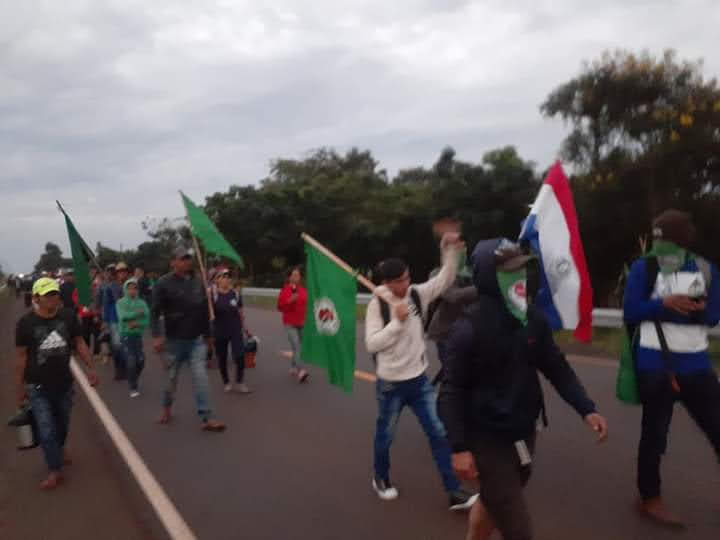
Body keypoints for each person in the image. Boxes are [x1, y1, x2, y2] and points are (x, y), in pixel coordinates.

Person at [438, 238, 609, 540]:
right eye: (509, 270)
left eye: (521, 269)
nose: (520, 277)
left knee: (494, 500)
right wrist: (459, 448)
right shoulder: (466, 331)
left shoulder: (531, 319)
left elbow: (556, 367)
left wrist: (587, 408)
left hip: (523, 431)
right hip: (485, 438)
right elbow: (450, 393)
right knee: (517, 528)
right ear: (489, 277)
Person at [365, 231, 477, 511]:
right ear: (388, 283)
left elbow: (444, 280)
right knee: (386, 435)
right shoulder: (377, 304)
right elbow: (372, 342)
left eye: (407, 276)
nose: (407, 282)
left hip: (418, 380)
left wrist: (448, 251)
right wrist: (397, 323)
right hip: (390, 384)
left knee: (439, 432)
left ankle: (454, 492)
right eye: (400, 280)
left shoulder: (416, 293)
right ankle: (380, 478)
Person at [623, 209, 720, 528]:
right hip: (656, 364)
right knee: (655, 435)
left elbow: (714, 316)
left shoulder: (706, 269)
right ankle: (649, 498)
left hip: (697, 363)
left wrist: (697, 309)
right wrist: (662, 304)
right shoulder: (644, 267)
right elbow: (631, 312)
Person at [15, 277, 99, 490]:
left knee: (61, 425)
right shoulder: (25, 324)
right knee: (46, 429)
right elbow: (22, 357)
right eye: (48, 295)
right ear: (36, 298)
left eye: (55, 294)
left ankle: (59, 450)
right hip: (38, 386)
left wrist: (90, 368)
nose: (53, 298)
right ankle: (55, 469)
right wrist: (20, 387)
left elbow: (79, 343)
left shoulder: (68, 317)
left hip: (64, 384)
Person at [151, 246, 226, 432]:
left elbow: (203, 312)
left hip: (196, 341)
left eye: (188, 258)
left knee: (201, 377)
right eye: (182, 258)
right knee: (170, 381)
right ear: (173, 262)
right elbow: (154, 312)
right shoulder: (163, 283)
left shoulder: (198, 282)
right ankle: (166, 407)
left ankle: (207, 417)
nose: (186, 261)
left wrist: (209, 336)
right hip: (174, 342)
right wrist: (157, 336)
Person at [212, 268, 251, 393]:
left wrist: (245, 328)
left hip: (235, 329)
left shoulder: (235, 294)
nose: (226, 279)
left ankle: (240, 382)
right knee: (222, 358)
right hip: (220, 331)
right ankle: (226, 382)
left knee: (240, 356)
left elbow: (240, 312)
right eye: (223, 276)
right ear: (217, 280)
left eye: (228, 276)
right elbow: (207, 313)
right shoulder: (213, 295)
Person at [116, 278, 150, 398]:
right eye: (130, 288)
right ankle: (133, 386)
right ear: (125, 289)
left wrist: (137, 324)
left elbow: (146, 319)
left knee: (141, 361)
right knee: (131, 361)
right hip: (126, 336)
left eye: (135, 288)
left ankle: (133, 377)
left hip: (137, 336)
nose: (132, 291)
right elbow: (123, 317)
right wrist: (137, 314)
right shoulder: (120, 302)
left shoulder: (142, 303)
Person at [277, 267, 309, 383]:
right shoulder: (285, 290)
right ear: (289, 277)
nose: (296, 277)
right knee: (296, 346)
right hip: (290, 323)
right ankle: (301, 371)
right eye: (294, 275)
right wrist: (290, 300)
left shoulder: (303, 290)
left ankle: (293, 366)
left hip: (302, 322)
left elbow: (307, 306)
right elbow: (279, 307)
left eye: (298, 275)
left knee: (297, 347)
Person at [100, 263, 128, 379]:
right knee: (117, 346)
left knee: (126, 345)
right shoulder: (110, 287)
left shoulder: (130, 285)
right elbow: (106, 304)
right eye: (120, 271)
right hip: (114, 319)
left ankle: (126, 368)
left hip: (127, 319)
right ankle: (119, 370)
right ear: (116, 274)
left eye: (124, 271)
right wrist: (105, 320)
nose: (122, 273)